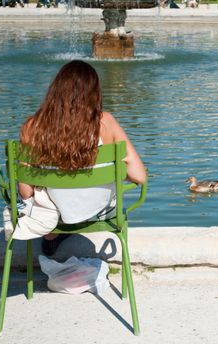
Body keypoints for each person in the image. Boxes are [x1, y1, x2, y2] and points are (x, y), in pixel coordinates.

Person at [18, 60, 146, 255]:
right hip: (99, 212)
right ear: (94, 92)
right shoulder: (106, 123)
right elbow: (140, 176)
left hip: (56, 214)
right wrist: (114, 171)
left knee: (47, 196)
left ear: (55, 90)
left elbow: (26, 193)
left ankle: (53, 234)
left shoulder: (32, 127)